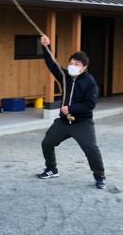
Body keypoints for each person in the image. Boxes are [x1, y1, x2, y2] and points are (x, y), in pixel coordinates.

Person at [37, 34, 106, 189]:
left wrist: (71, 108)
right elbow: (51, 64)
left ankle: (100, 176)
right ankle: (51, 169)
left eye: (77, 64)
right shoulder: (65, 76)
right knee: (47, 143)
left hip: (82, 122)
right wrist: (46, 47)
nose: (73, 66)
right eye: (71, 63)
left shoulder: (90, 83)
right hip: (63, 121)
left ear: (85, 67)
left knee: (91, 148)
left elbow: (90, 104)